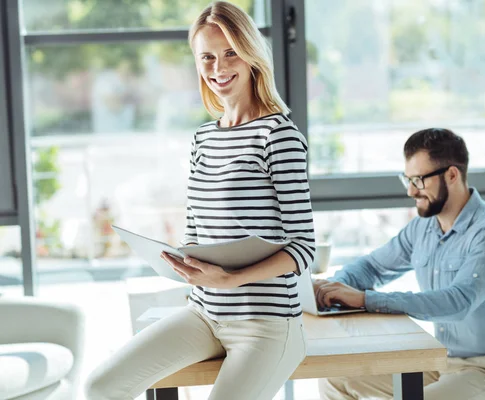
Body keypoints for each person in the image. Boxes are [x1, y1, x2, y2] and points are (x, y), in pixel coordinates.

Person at [84, 2, 315, 399]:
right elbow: (196, 231)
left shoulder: (279, 136)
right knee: (101, 386)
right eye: (207, 56)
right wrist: (180, 261)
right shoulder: (202, 139)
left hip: (268, 323)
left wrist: (232, 279)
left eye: (230, 53)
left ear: (251, 54)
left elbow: (303, 248)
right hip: (204, 314)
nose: (219, 68)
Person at [315, 128, 485, 400]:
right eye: (407, 179)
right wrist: (331, 288)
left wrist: (365, 299)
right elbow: (372, 267)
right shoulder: (423, 228)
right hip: (441, 364)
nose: (410, 191)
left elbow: (458, 302)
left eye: (418, 180)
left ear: (452, 175)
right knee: (338, 378)